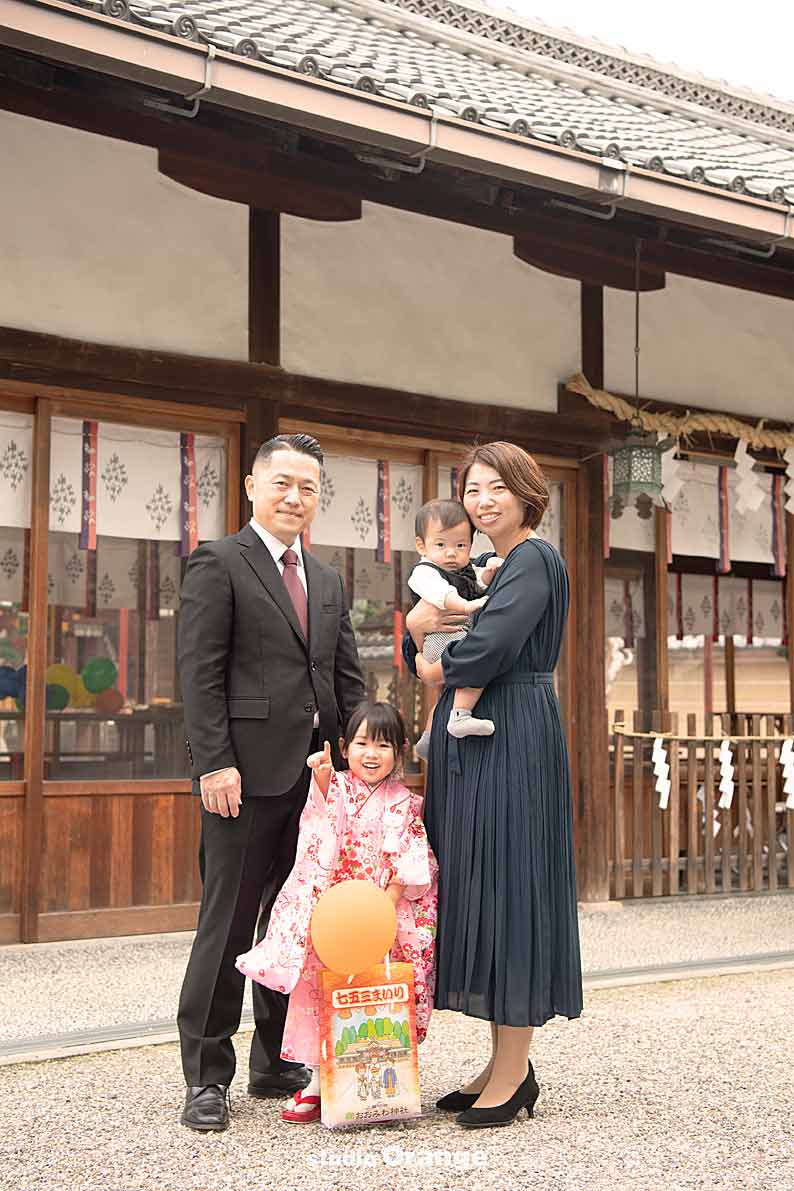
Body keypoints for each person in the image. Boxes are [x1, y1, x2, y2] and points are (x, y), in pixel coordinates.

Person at [176, 432, 366, 1132]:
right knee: (227, 925)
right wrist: (212, 761)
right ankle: (206, 1073)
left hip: (314, 778)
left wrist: (356, 759)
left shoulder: (328, 578)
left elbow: (342, 676)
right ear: (253, 485)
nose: (294, 496)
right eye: (282, 482)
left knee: (296, 924)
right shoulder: (219, 562)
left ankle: (275, 1055)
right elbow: (199, 672)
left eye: (308, 487)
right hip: (242, 777)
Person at [404, 441, 582, 1130]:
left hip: (511, 733)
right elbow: (439, 631)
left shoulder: (534, 558)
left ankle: (512, 1072)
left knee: (510, 887)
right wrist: (422, 637)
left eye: (496, 488)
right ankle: (502, 1063)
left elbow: (489, 644)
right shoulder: (496, 566)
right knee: (480, 883)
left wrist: (427, 655)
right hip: (480, 738)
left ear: (525, 492)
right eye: (473, 489)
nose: (482, 501)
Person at [236, 700, 438, 1124]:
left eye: (382, 746)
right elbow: (319, 827)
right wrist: (324, 779)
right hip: (336, 915)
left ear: (399, 752)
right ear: (345, 747)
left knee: (375, 991)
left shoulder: (405, 802)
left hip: (383, 914)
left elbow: (410, 853)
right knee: (321, 990)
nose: (371, 754)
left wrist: (387, 902)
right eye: (362, 743)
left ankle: (379, 1083)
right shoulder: (339, 788)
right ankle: (314, 1081)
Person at [408, 498, 502, 761]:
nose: (451, 553)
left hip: (452, 635)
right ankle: (460, 717)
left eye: (460, 545)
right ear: (421, 545)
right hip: (439, 639)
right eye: (441, 544)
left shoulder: (463, 568)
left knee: (450, 689)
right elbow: (442, 594)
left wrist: (488, 573)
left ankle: (429, 736)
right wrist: (466, 605)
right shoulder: (424, 572)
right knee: (475, 662)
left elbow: (477, 582)